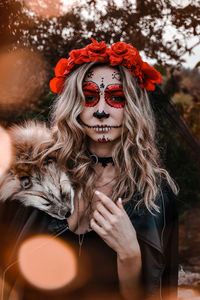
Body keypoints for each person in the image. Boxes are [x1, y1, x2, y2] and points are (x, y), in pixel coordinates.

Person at [0, 39, 178, 300]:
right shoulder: (32, 174)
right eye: (89, 97)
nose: (101, 112)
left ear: (133, 107)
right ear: (74, 105)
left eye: (116, 98)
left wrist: (130, 255)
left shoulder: (156, 196)